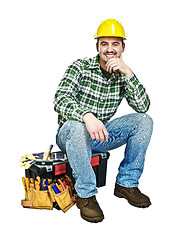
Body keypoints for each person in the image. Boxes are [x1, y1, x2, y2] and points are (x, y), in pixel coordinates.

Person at [54, 19, 153, 223]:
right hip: (71, 134)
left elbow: (143, 106)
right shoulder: (79, 67)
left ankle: (127, 184)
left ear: (123, 47)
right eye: (104, 44)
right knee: (76, 126)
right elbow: (60, 99)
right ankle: (86, 195)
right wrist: (86, 116)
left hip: (100, 136)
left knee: (144, 121)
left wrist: (129, 73)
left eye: (115, 44)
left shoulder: (122, 75)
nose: (109, 49)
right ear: (97, 46)